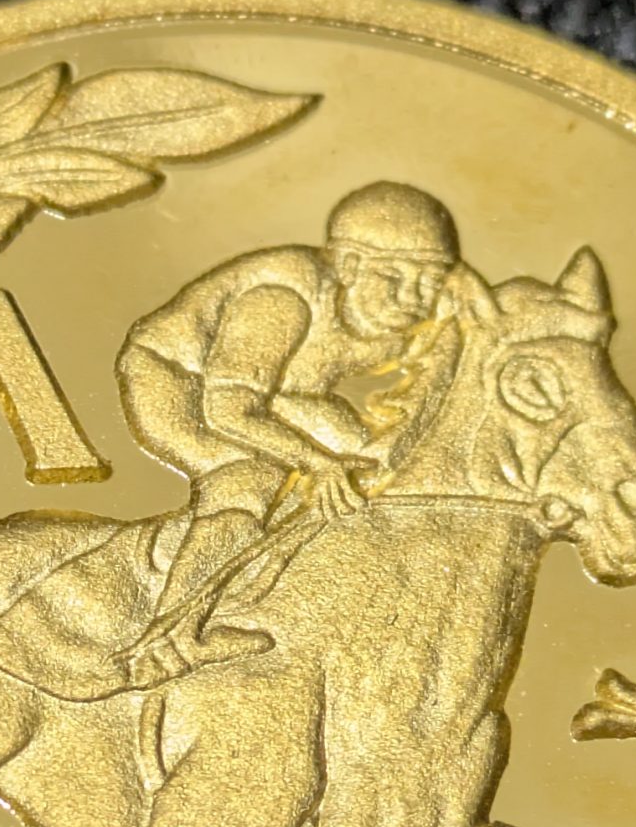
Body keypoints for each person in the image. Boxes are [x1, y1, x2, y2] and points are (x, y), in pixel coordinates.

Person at [111, 181, 472, 686]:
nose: (413, 299)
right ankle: (169, 638)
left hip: (277, 393)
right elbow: (229, 411)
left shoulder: (425, 309)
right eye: (392, 277)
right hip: (182, 384)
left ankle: (276, 579)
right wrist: (316, 463)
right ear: (348, 266)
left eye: (430, 282)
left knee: (368, 460)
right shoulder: (280, 301)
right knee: (248, 481)